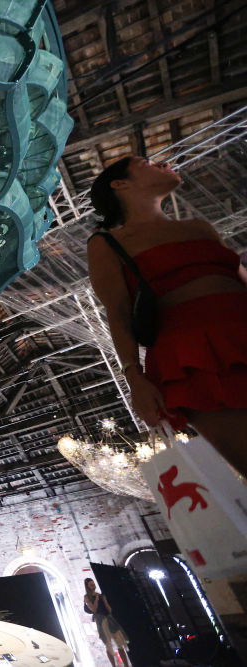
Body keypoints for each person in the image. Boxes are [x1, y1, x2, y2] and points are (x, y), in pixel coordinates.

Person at [87, 156, 247, 474]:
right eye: (145, 162)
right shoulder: (106, 244)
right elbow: (118, 312)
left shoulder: (199, 227)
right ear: (119, 184)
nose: (162, 162)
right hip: (192, 359)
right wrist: (134, 377)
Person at [83, 578, 130, 667]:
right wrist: (97, 599)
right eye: (91, 585)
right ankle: (114, 665)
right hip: (101, 621)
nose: (93, 586)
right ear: (87, 586)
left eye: (93, 584)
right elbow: (94, 609)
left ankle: (126, 665)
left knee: (120, 643)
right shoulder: (87, 597)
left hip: (109, 619)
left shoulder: (100, 595)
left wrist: (104, 600)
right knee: (108, 645)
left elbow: (109, 609)